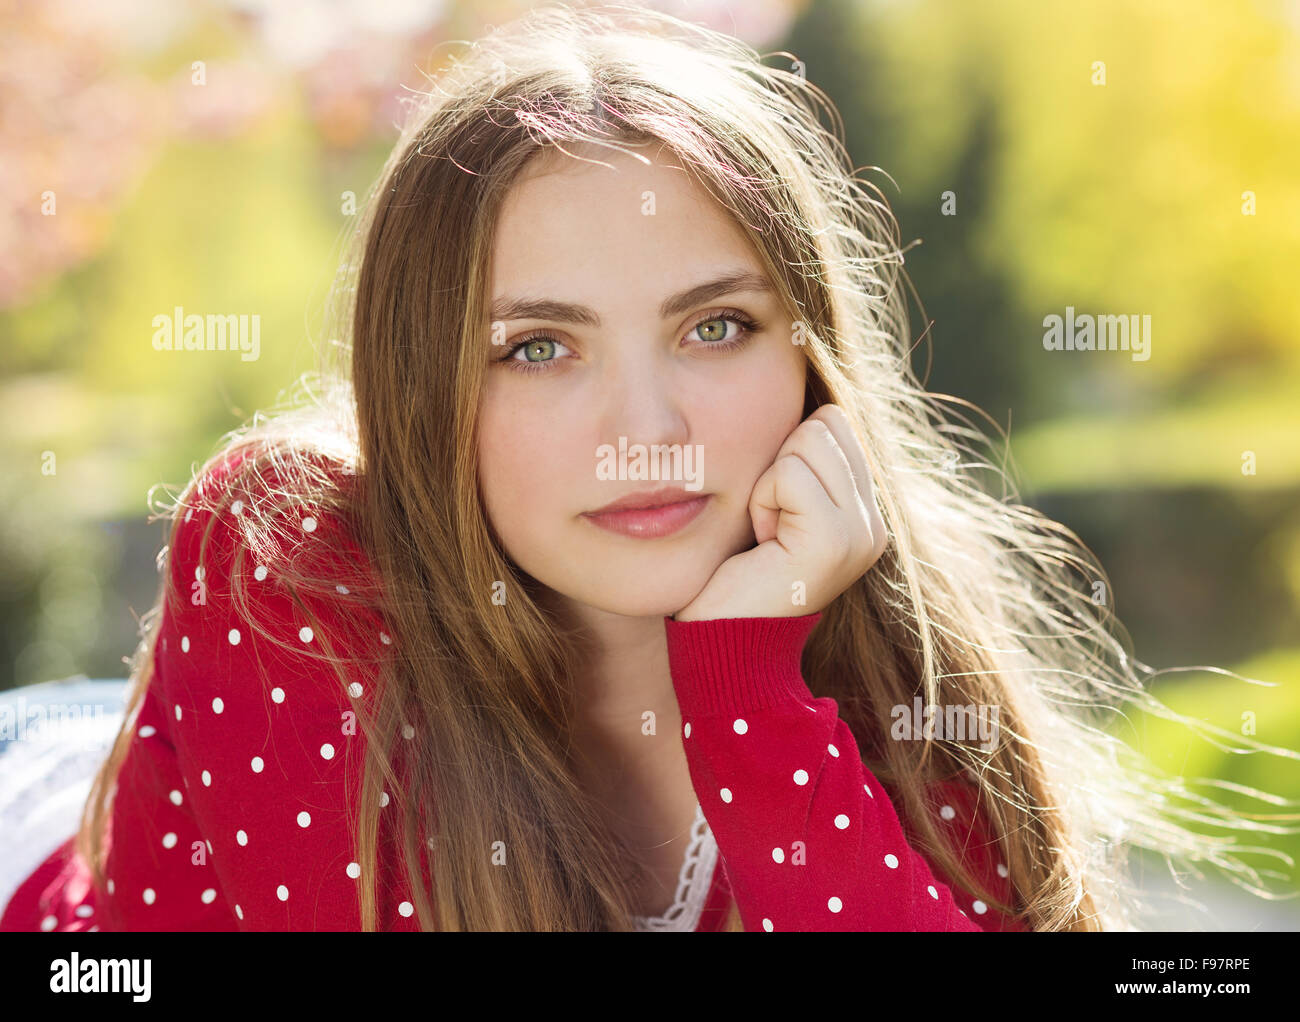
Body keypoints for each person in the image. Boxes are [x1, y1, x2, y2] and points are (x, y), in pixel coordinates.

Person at [1, 2, 1287, 932]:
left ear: (813, 363)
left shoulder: (901, 667)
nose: (646, 425)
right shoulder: (286, 553)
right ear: (417, 384)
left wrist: (748, 690)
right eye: (538, 346)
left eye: (713, 326)